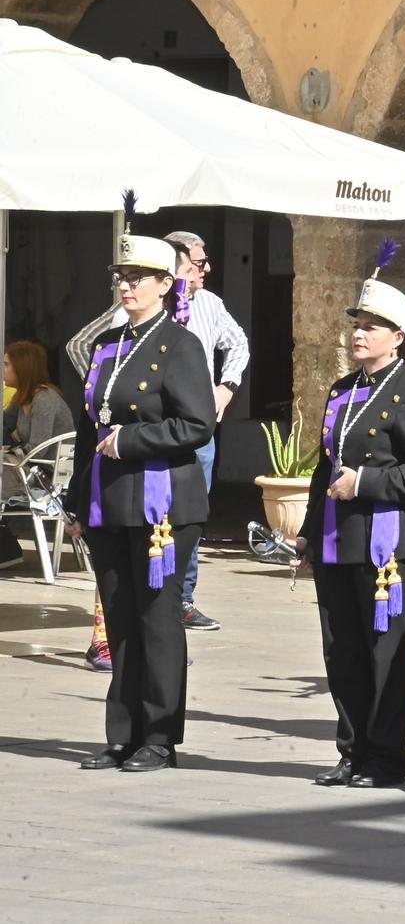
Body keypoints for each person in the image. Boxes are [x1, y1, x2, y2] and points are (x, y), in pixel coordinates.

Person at [63, 216, 215, 772]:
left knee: (155, 621)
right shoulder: (107, 343)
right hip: (108, 500)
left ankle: (158, 736)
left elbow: (196, 425)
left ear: (165, 284)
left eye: (139, 276)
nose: (127, 286)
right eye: (121, 275)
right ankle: (122, 733)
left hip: (163, 505)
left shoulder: (181, 344)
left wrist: (131, 440)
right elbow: (88, 430)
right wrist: (77, 501)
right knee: (120, 621)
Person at [297, 243, 405, 789]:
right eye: (357, 323)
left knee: (384, 651)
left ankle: (385, 756)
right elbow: (322, 469)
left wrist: (366, 481)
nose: (359, 333)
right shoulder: (342, 391)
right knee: (343, 650)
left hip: (386, 545)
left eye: (372, 326)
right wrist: (310, 533)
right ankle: (352, 748)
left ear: (398, 337)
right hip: (338, 539)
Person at [162, 231, 250, 634]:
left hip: (198, 430)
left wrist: (226, 387)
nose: (207, 269)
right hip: (154, 428)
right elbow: (87, 347)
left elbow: (239, 344)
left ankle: (182, 598)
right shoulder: (148, 305)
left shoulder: (211, 304)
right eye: (198, 263)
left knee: (192, 515)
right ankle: (153, 594)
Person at [3, 341, 74, 572]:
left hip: (44, 478)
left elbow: (38, 448)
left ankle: (6, 548)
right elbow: (5, 423)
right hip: (26, 469)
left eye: (6, 365)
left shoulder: (45, 399)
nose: (3, 370)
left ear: (22, 368)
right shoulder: (22, 398)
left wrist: (13, 446)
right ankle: (7, 548)